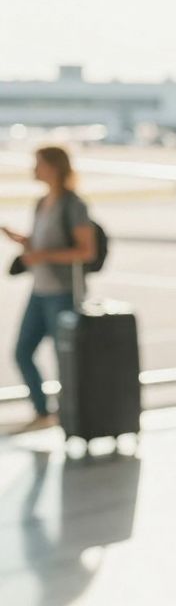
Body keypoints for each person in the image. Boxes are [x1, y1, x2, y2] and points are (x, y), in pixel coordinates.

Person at [2, 146, 97, 433]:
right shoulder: (42, 202)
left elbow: (86, 251)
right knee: (22, 352)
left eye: (38, 163)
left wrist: (42, 256)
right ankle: (43, 410)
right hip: (40, 290)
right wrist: (22, 241)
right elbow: (42, 243)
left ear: (53, 167)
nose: (34, 169)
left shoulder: (73, 205)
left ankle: (72, 417)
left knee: (64, 358)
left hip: (62, 292)